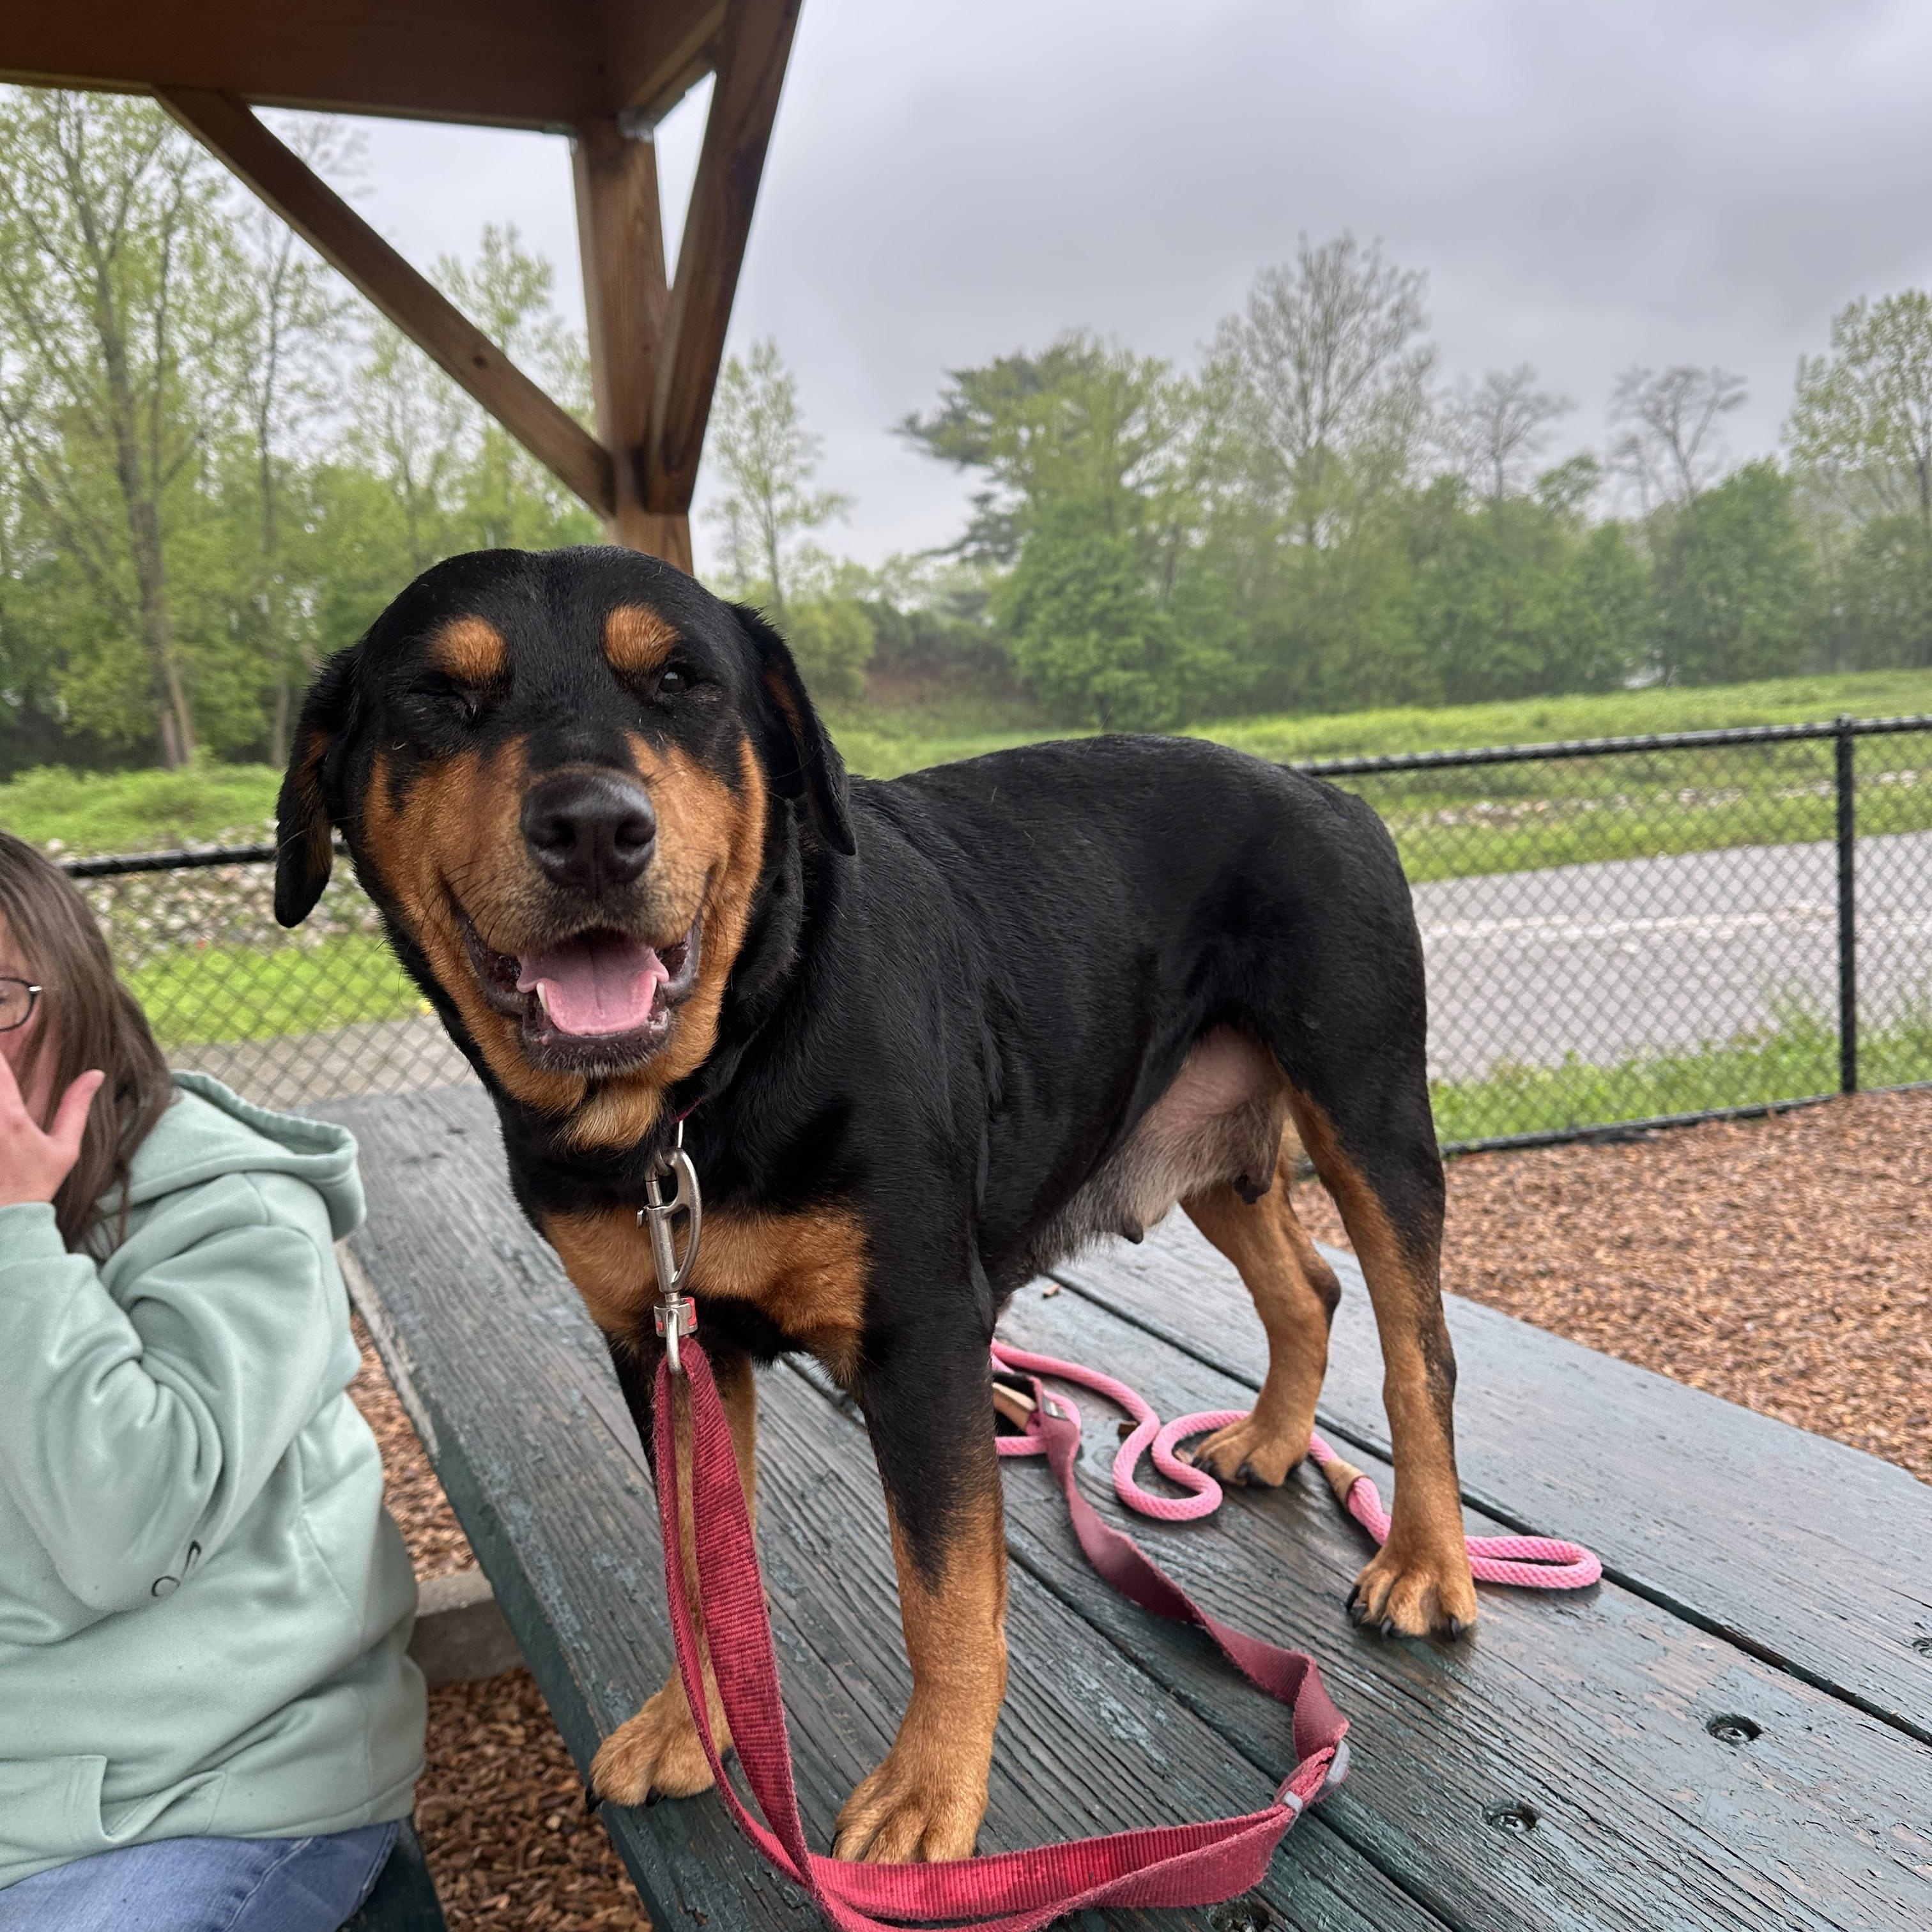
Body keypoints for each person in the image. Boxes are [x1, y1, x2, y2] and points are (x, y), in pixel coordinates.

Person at [0, 831, 425, 1931]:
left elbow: (127, 1531)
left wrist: (12, 1236)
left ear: (79, 1002)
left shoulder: (239, 1217)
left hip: (203, 1800)